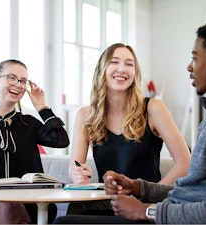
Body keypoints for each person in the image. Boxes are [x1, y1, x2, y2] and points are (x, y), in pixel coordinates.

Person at [54, 22, 206, 224]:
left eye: (195, 58)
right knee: (74, 212)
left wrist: (146, 209)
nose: (188, 66)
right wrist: (137, 187)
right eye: (114, 62)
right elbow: (192, 191)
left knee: (64, 223)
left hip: (159, 213)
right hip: (156, 208)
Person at [66, 43, 191, 215]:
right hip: (104, 202)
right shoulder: (85, 115)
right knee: (70, 215)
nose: (122, 69)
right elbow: (76, 169)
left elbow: (186, 163)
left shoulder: (153, 108)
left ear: (135, 73)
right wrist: (79, 176)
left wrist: (150, 196)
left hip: (142, 206)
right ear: (102, 69)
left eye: (129, 64)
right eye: (114, 62)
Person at [0, 59, 70, 224]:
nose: (18, 84)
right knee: (7, 208)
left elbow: (61, 140)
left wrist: (42, 107)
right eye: (12, 78)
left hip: (33, 206)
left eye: (23, 81)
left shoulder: (30, 124)